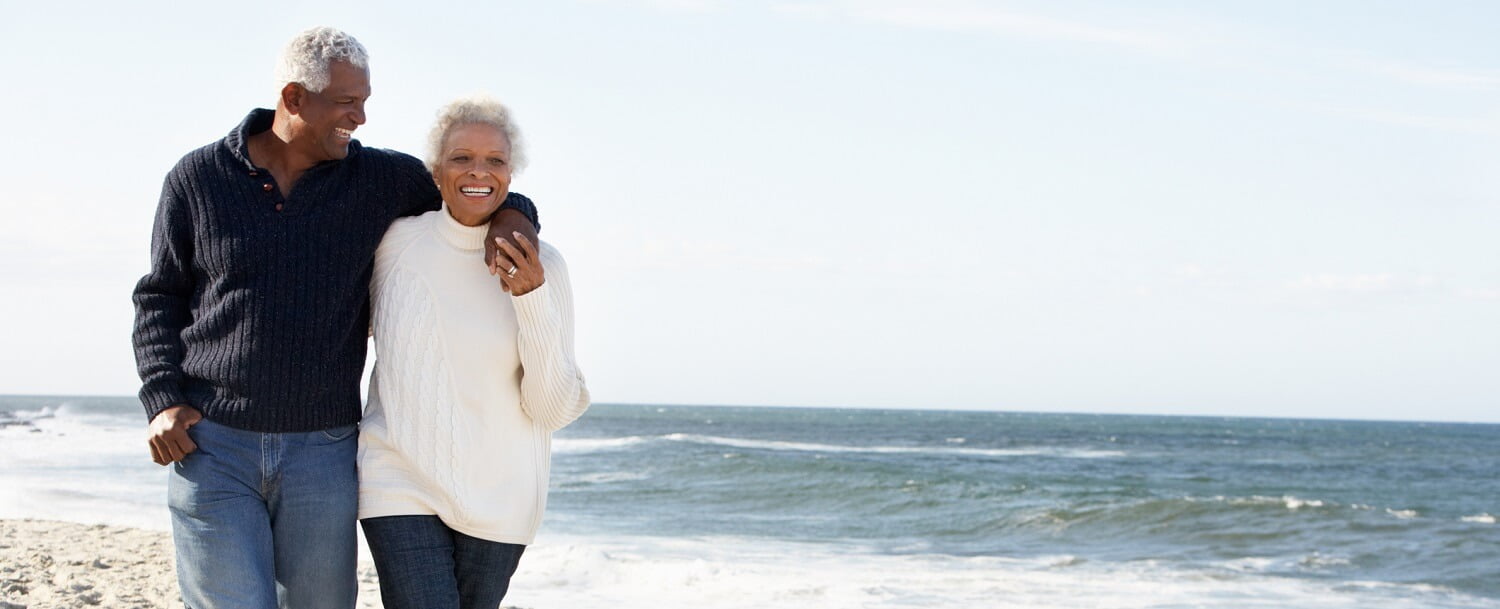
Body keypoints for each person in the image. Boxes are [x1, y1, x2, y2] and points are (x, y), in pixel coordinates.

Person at [131, 28, 539, 609]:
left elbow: (471, 185)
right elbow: (158, 297)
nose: (362, 117)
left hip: (323, 452)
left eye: (365, 100)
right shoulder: (198, 179)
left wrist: (513, 219)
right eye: (348, 102)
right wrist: (162, 399)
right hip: (213, 446)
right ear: (294, 98)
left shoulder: (377, 180)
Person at [358, 96, 590, 609]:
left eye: (495, 161)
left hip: (502, 493)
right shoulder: (392, 245)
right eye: (461, 158)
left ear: (512, 174)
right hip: (398, 477)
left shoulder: (546, 265)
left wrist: (530, 296)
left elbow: (550, 409)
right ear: (436, 171)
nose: (477, 172)